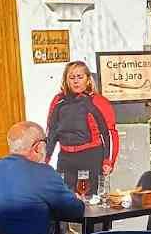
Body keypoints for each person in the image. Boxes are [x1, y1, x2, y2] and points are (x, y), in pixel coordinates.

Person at [46, 61, 119, 195]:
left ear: (88, 79)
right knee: (64, 198)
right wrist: (45, 158)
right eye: (72, 77)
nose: (76, 81)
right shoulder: (58, 101)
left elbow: (109, 133)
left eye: (80, 77)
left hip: (90, 157)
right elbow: (51, 132)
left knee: (90, 199)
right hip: (66, 158)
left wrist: (109, 161)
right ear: (66, 80)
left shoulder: (97, 101)